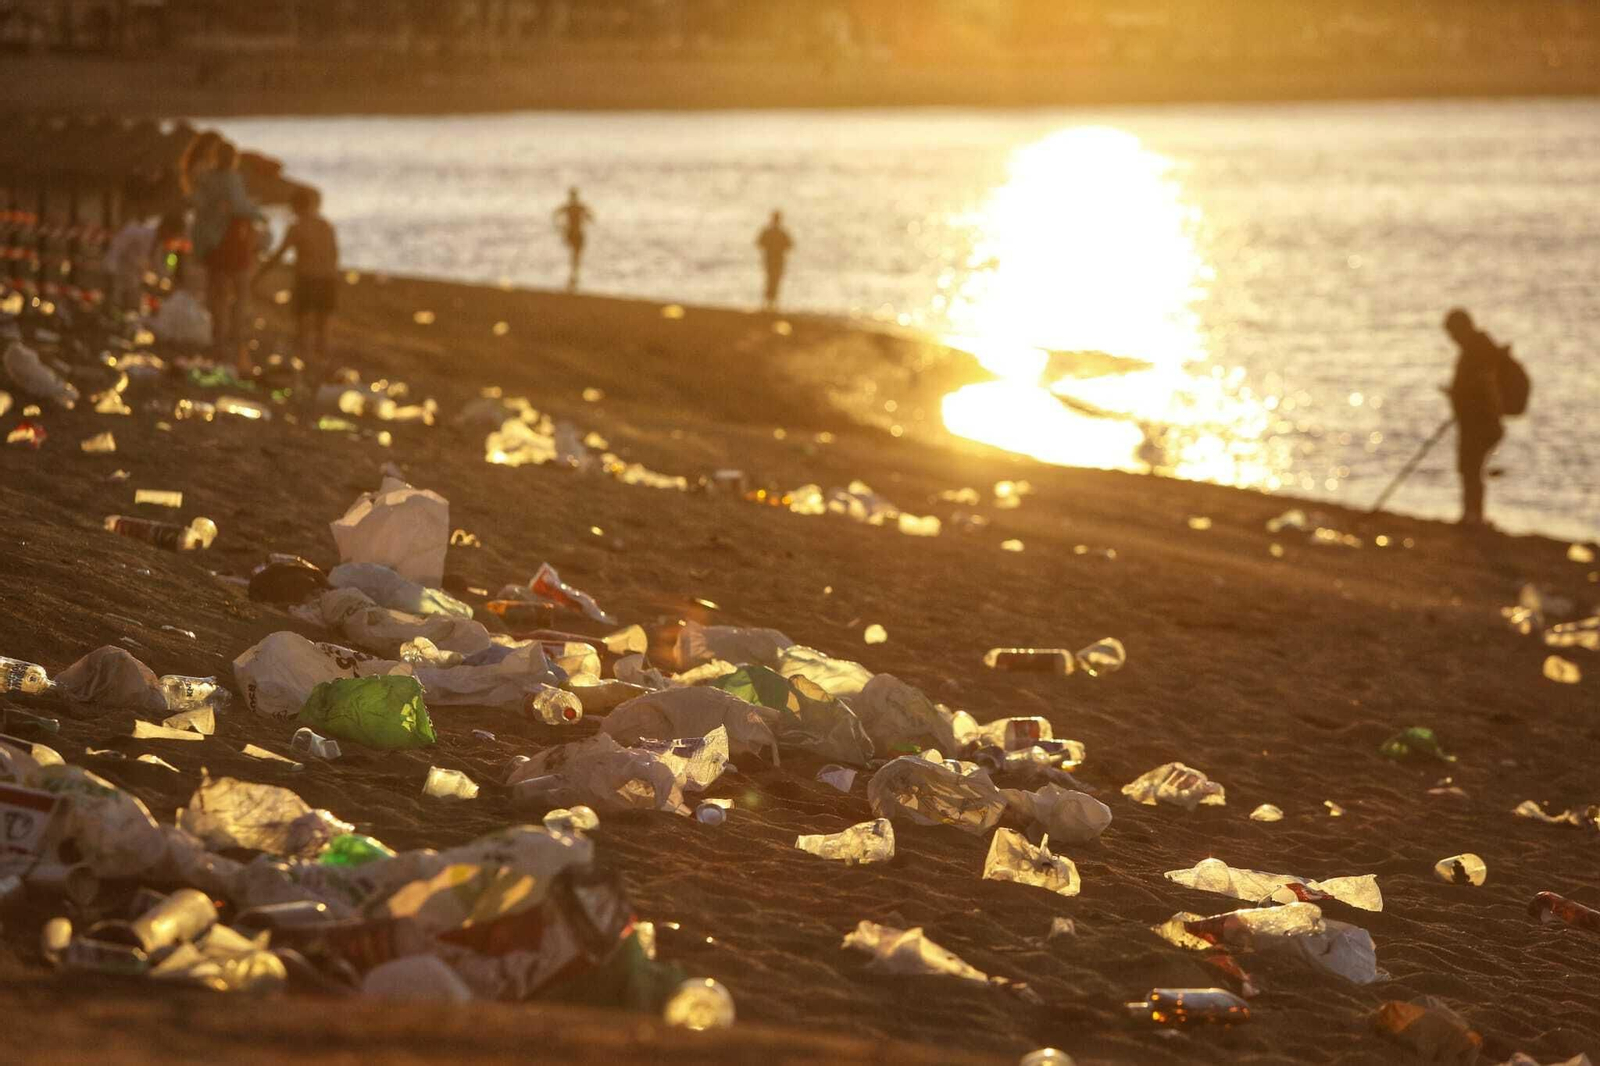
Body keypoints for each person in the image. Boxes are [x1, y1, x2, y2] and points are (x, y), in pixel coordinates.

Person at [182, 132, 263, 375]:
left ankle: (218, 341)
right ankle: (236, 341)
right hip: (231, 241)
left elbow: (195, 202)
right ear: (233, 159)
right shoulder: (231, 178)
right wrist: (257, 212)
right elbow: (239, 207)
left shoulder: (204, 178)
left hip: (210, 243)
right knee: (240, 291)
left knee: (216, 293)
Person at [257, 187, 340, 369]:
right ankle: (322, 361)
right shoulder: (325, 225)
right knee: (324, 322)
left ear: (294, 207)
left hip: (308, 278)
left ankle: (307, 360)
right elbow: (334, 253)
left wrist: (259, 274)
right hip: (328, 278)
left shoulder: (297, 227)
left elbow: (279, 254)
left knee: (305, 321)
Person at [1442, 308, 1508, 527]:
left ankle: (1474, 517)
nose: (1452, 339)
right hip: (1476, 420)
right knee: (1470, 468)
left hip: (1481, 422)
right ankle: (1472, 515)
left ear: (1463, 328)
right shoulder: (1478, 348)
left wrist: (1460, 396)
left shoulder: (1478, 350)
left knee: (1471, 468)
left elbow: (1483, 386)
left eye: (1453, 333)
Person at [103, 203, 183, 317]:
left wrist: (168, 280)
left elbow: (158, 266)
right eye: (173, 235)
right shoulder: (139, 232)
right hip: (118, 277)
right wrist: (110, 271)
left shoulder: (159, 245)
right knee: (115, 310)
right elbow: (116, 248)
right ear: (166, 229)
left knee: (132, 313)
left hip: (135, 282)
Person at [553, 187, 593, 291]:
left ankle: (573, 277)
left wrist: (559, 227)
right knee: (575, 256)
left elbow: (555, 213)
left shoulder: (570, 207)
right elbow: (591, 217)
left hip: (573, 234)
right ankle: (574, 277)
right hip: (575, 234)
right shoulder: (577, 207)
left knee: (575, 256)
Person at [756, 210, 793, 310]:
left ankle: (769, 303)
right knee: (774, 281)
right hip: (776, 260)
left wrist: (770, 247)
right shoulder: (781, 232)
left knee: (770, 280)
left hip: (771, 259)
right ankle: (771, 303)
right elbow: (790, 245)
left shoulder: (769, 232)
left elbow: (759, 243)